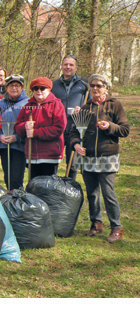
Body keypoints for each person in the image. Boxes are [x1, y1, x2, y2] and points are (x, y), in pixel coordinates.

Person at [69, 74, 129, 243]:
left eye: (99, 85)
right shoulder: (85, 108)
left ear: (106, 88)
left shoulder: (114, 105)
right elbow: (74, 132)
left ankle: (116, 228)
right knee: (92, 193)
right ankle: (96, 224)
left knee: (108, 192)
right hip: (87, 157)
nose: (95, 88)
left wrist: (110, 126)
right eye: (92, 85)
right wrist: (75, 145)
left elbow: (125, 129)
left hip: (107, 156)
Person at [14, 77, 66, 180]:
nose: (39, 91)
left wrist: (35, 132)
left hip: (50, 155)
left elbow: (59, 128)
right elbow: (17, 127)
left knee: (47, 189)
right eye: (35, 88)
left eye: (42, 88)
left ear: (49, 89)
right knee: (33, 187)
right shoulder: (28, 106)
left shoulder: (56, 105)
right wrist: (24, 126)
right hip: (32, 154)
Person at [52, 55, 90, 180]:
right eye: (65, 64)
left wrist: (83, 109)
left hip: (75, 129)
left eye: (71, 65)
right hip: (58, 129)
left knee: (72, 165)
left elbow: (91, 105)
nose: (68, 67)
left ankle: (69, 190)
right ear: (61, 66)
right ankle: (51, 188)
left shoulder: (85, 85)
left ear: (76, 67)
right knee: (53, 162)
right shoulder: (53, 85)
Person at [0, 74, 29, 190]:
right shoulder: (0, 104)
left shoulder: (28, 103)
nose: (14, 88)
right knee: (7, 177)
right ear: (6, 88)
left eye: (17, 86)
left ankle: (18, 200)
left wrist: (17, 137)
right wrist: (0, 136)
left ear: (22, 88)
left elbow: (29, 125)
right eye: (11, 86)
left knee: (16, 178)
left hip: (19, 146)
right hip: (4, 146)